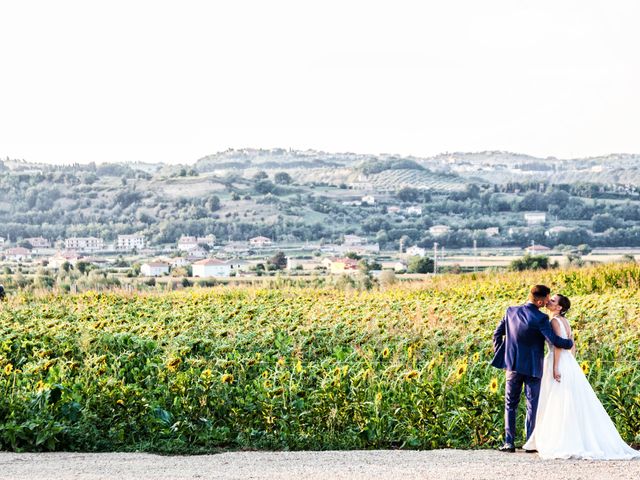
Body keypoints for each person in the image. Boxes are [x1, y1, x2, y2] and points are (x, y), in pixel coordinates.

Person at [523, 294, 640, 459]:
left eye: (553, 301)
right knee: (570, 401)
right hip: (568, 362)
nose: (549, 301)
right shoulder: (566, 322)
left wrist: (556, 366)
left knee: (557, 400)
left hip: (557, 362)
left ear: (559, 308)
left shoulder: (554, 321)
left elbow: (557, 345)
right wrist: (571, 361)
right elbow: (572, 344)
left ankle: (559, 439)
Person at [491, 285, 574, 452]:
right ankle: (530, 443)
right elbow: (554, 340)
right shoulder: (541, 318)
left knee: (510, 404)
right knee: (532, 404)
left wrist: (504, 353)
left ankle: (509, 443)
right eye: (546, 299)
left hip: (512, 366)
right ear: (539, 301)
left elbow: (496, 334)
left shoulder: (510, 311)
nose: (547, 302)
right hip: (533, 367)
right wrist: (569, 342)